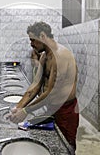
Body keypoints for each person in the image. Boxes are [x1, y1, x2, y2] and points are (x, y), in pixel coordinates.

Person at [9, 21, 79, 150]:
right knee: (53, 146)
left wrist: (26, 111)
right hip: (52, 108)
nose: (31, 44)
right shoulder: (44, 57)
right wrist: (18, 107)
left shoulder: (61, 56)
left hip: (66, 111)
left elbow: (52, 92)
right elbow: (35, 86)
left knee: (66, 148)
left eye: (32, 40)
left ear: (42, 36)